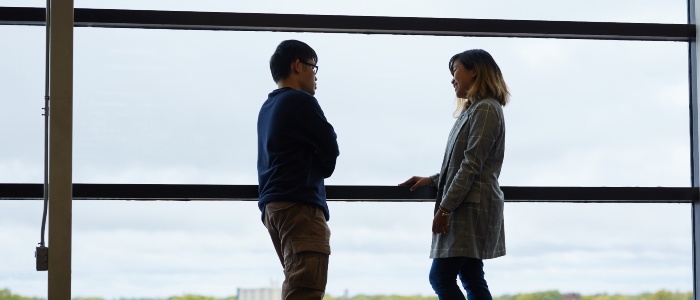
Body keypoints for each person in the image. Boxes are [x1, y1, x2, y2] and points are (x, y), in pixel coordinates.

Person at [399, 49, 509, 300]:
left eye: (455, 70)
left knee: (440, 277)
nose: (452, 79)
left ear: (475, 72)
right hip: (467, 205)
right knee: (471, 278)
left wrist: (445, 208)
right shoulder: (475, 110)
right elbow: (463, 163)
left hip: (469, 208)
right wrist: (433, 180)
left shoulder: (486, 110)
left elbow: (472, 165)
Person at [257, 39, 339, 300]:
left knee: (296, 283)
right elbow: (329, 149)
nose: (315, 76)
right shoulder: (300, 101)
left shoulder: (268, 107)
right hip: (298, 206)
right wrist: (320, 164)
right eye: (313, 68)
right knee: (306, 289)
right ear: (297, 66)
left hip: (274, 206)